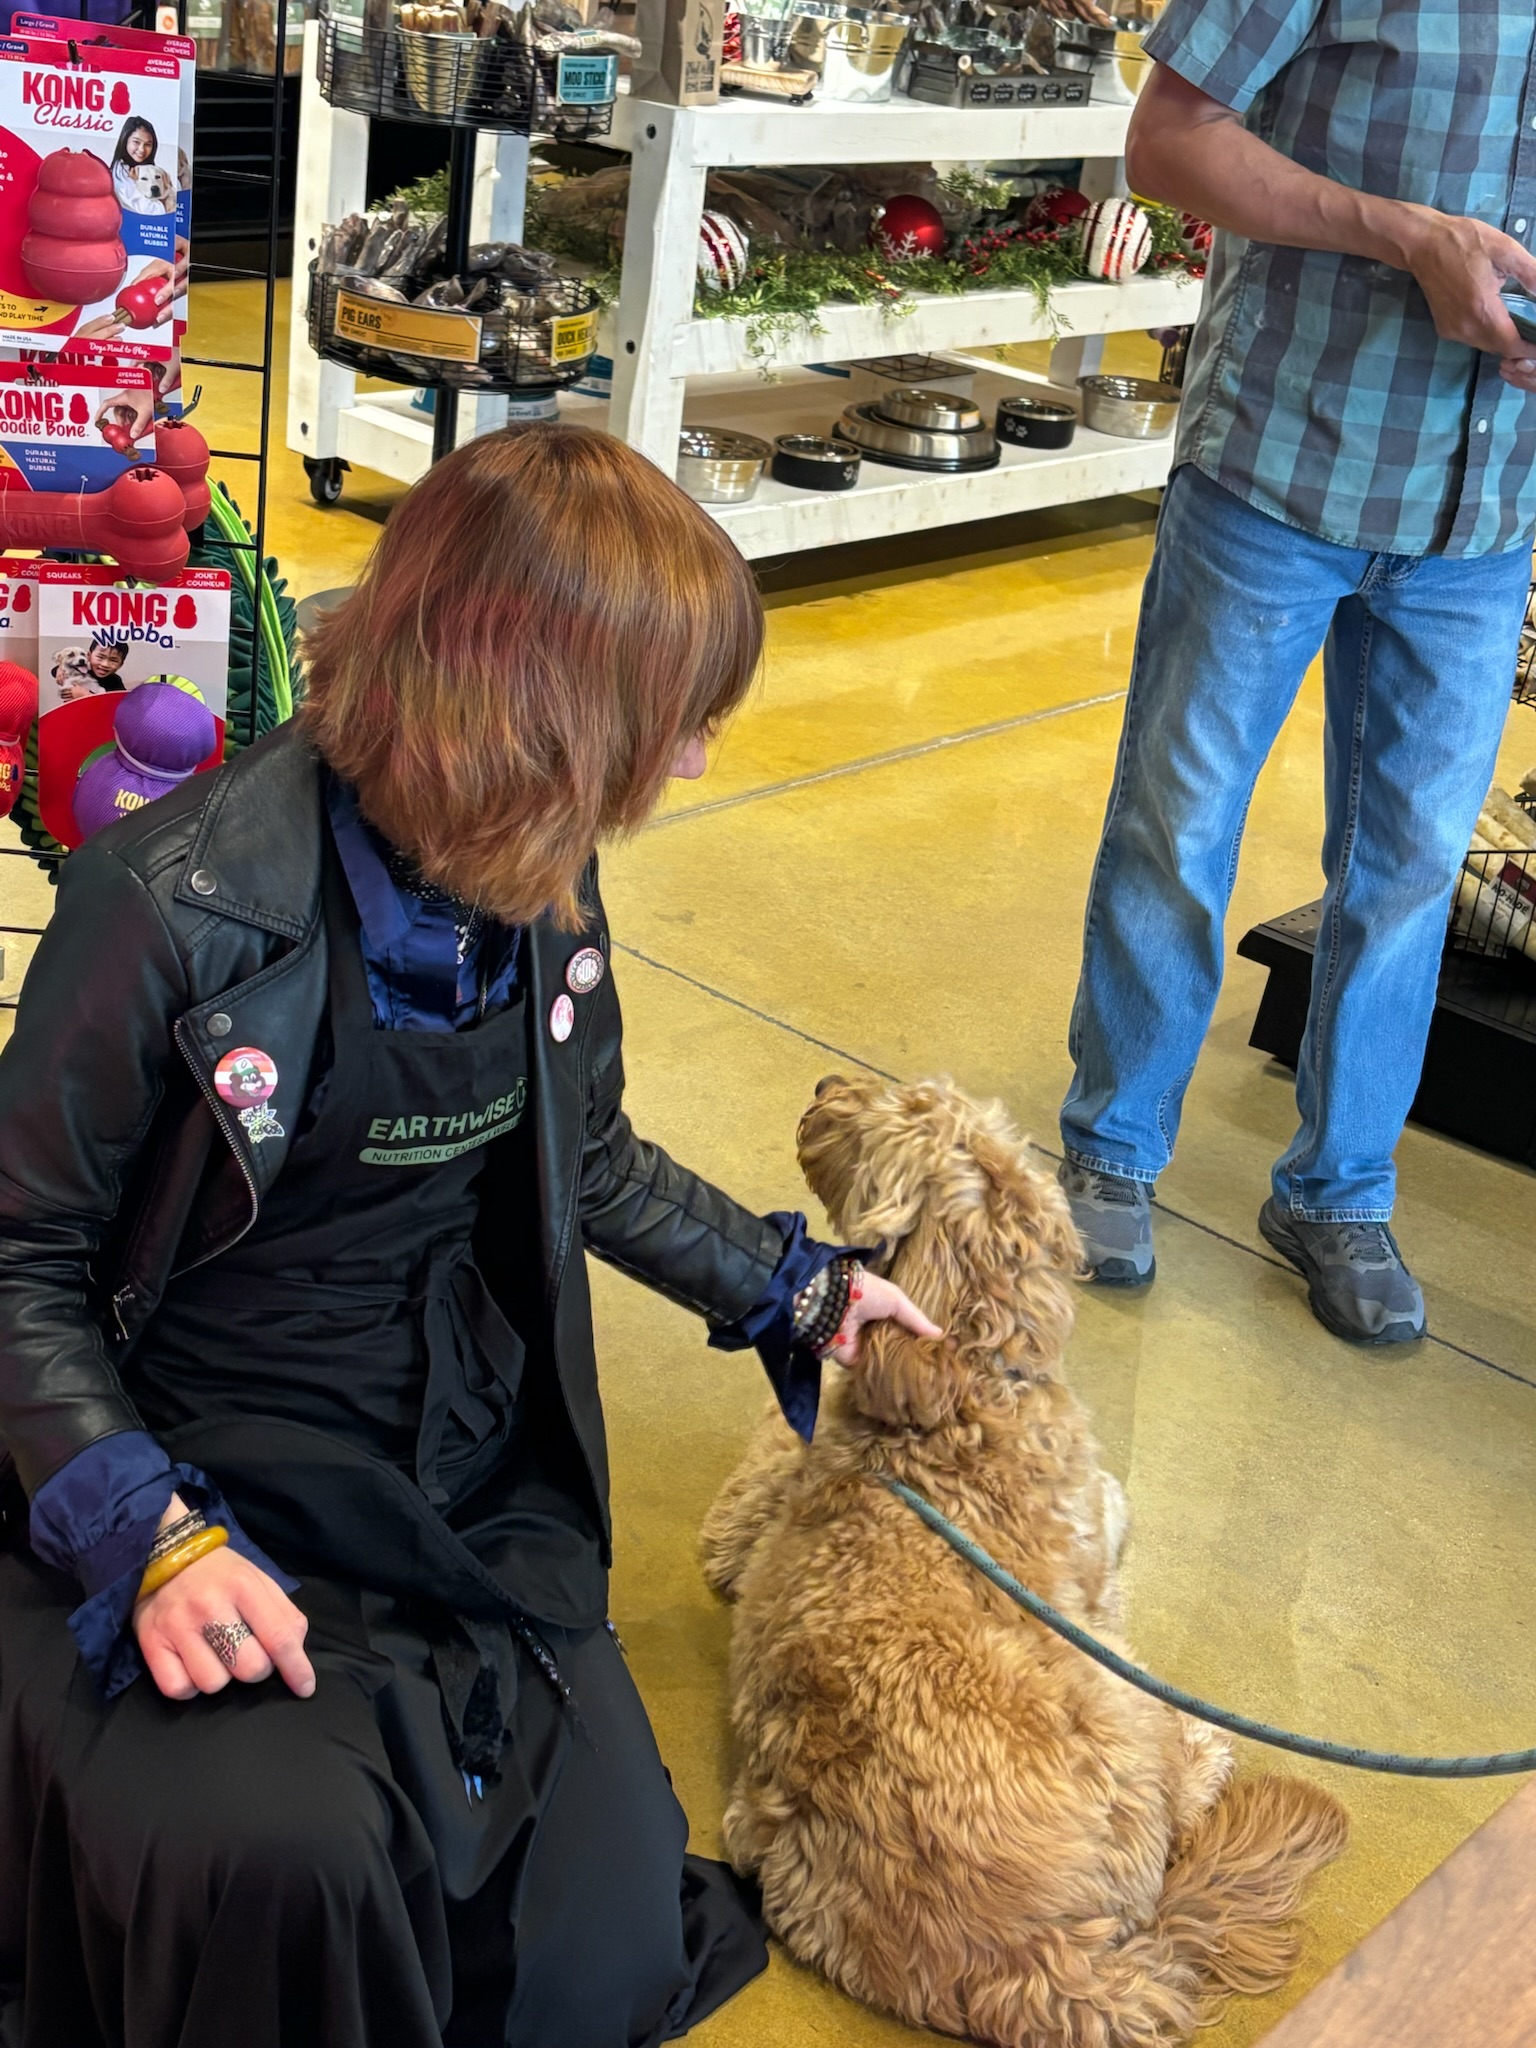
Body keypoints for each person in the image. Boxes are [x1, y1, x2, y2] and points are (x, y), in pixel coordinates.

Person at [0, 423, 940, 2048]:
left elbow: (593, 1156)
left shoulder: (535, 871)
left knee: (597, 1938)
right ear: (541, 718)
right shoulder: (166, 902)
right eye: (675, 725)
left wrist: (794, 1289)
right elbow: (14, 1259)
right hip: (189, 1456)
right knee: (288, 1877)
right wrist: (147, 1532)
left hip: (455, 1467)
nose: (696, 764)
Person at [1057, 0, 1536, 1346]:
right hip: (1282, 464)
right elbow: (1168, 146)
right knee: (1182, 821)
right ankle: (1113, 1149)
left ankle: (1338, 1192)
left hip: (1486, 519)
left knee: (1410, 875)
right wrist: (1403, 234)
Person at [110, 116, 159, 212]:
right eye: (136, 142)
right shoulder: (121, 173)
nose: (142, 150)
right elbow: (149, 210)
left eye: (148, 144)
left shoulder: (148, 170)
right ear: (125, 140)